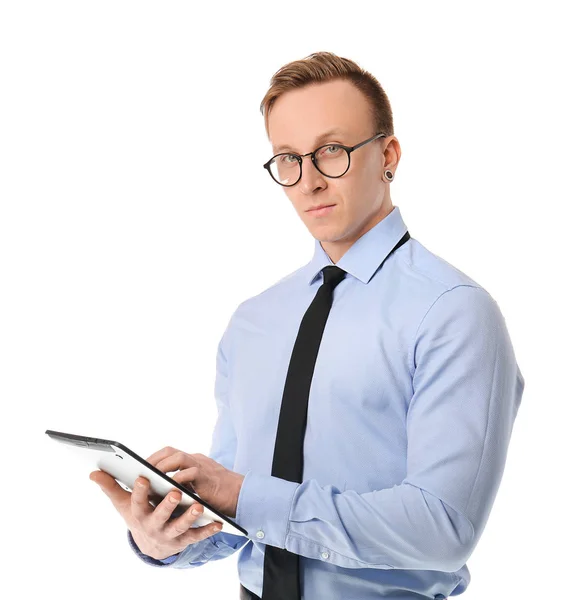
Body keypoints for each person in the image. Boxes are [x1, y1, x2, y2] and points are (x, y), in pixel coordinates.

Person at [90, 51, 525, 600]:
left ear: (388, 154)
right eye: (288, 158)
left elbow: (443, 529)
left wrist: (242, 495)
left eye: (332, 151)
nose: (309, 180)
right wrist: (165, 538)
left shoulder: (454, 312)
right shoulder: (254, 321)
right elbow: (235, 517)